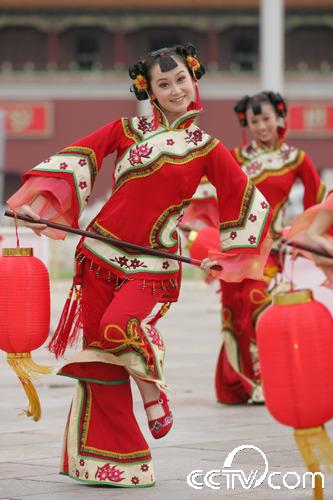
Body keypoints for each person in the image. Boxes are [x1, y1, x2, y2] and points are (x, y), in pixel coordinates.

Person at [7, 44, 272, 487]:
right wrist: (40, 207)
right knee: (103, 362)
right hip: (97, 257)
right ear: (147, 89)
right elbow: (77, 162)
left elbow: (243, 200)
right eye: (162, 84)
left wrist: (225, 255)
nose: (173, 90)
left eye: (180, 81)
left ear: (194, 80)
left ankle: (152, 393)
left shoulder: (207, 148)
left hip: (154, 266)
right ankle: (111, 462)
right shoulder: (125, 130)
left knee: (119, 327)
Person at [182, 91, 325, 405]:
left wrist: (307, 238)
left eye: (266, 119)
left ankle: (262, 381)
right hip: (236, 247)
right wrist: (194, 223)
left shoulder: (296, 159)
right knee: (236, 314)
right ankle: (236, 385)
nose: (260, 126)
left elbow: (316, 203)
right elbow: (207, 193)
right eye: (254, 120)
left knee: (258, 305)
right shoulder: (234, 157)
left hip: (273, 250)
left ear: (279, 118)